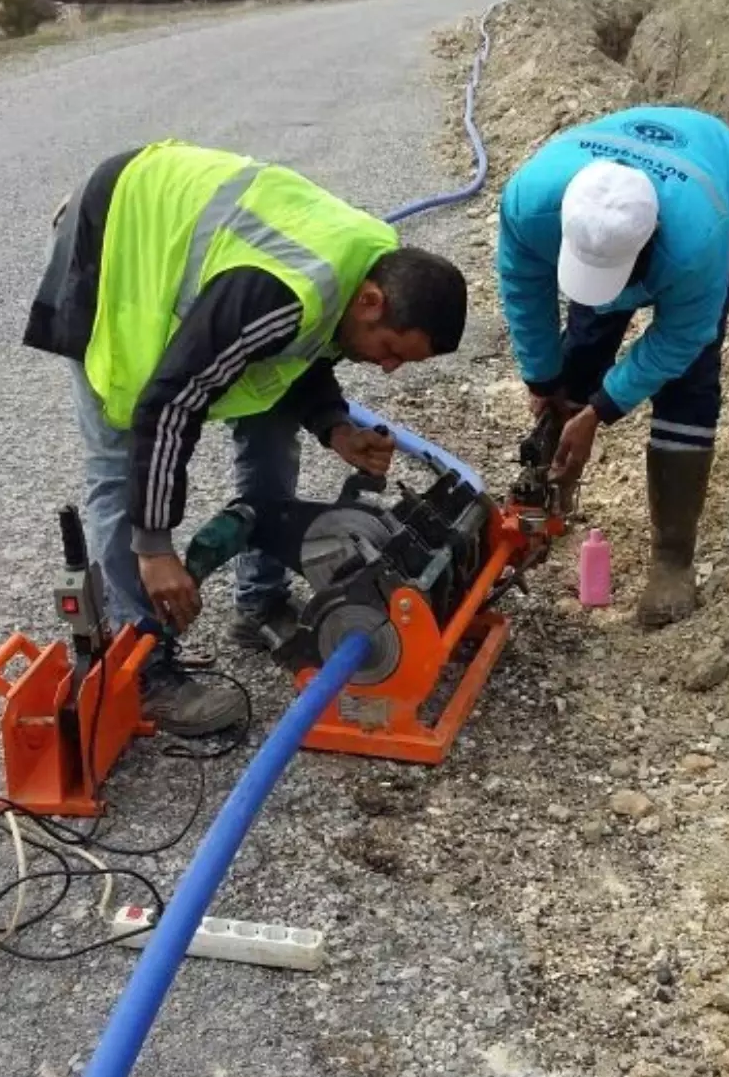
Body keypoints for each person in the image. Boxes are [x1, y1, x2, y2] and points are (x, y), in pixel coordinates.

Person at [24, 138, 468, 735]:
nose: (387, 369)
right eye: (391, 351)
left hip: (213, 268)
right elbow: (172, 400)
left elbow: (294, 350)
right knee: (117, 458)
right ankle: (142, 668)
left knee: (271, 419)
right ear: (372, 300)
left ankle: (258, 600)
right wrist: (155, 547)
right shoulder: (280, 293)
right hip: (115, 243)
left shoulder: (362, 263)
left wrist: (333, 423)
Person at [495, 105, 729, 629]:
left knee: (690, 378)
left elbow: (680, 338)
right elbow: (524, 289)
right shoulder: (531, 204)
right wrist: (542, 377)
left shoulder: (697, 242)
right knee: (584, 345)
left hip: (715, 173)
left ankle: (672, 558)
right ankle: (549, 495)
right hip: (616, 195)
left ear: (651, 241)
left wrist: (601, 409)